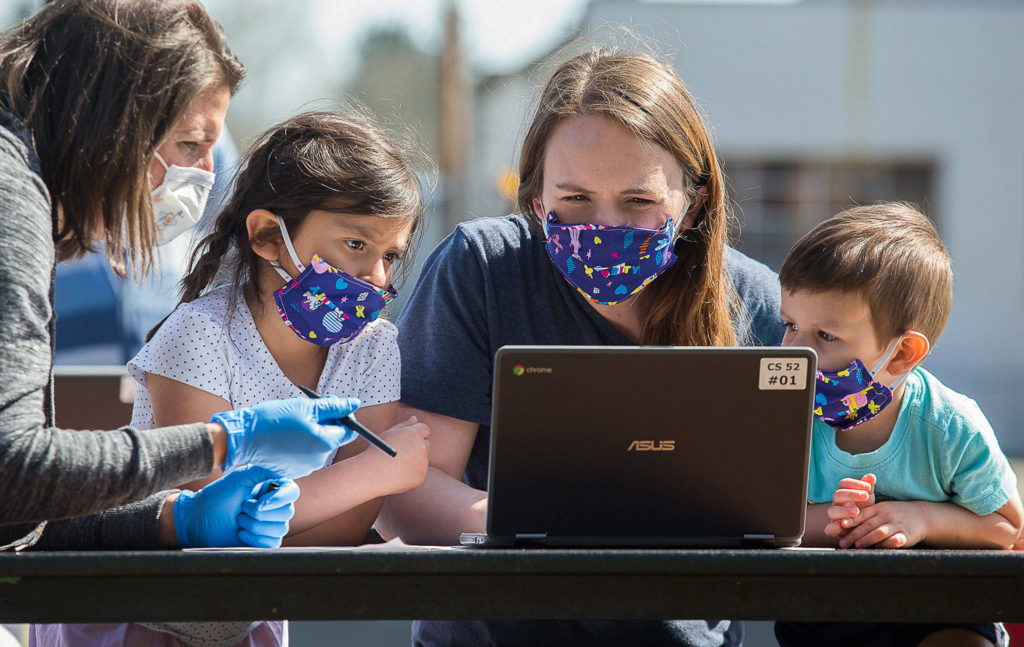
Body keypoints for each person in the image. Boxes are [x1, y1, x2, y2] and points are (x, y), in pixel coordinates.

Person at [376, 46, 783, 647]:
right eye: (575, 200)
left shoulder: (756, 301)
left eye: (639, 201)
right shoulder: (481, 269)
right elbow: (405, 491)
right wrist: (557, 528)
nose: (604, 225)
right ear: (537, 198)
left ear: (693, 204)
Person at [34, 110, 433, 646]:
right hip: (137, 619)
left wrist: (313, 505)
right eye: (356, 245)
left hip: (249, 624)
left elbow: (339, 533)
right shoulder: (196, 334)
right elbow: (216, 527)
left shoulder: (376, 347)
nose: (378, 278)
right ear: (268, 236)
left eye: (390, 255)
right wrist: (382, 473)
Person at [0, 0, 361, 553]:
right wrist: (222, 442)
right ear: (114, 119)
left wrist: (173, 519)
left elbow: (16, 512)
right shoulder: (10, 194)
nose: (203, 175)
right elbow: (15, 473)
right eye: (190, 143)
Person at [774, 203, 1023, 647]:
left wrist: (922, 517)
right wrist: (834, 519)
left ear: (903, 353)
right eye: (790, 325)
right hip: (823, 614)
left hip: (940, 611)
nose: (796, 350)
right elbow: (759, 522)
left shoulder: (950, 425)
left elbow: (1006, 527)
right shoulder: (782, 414)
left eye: (826, 336)